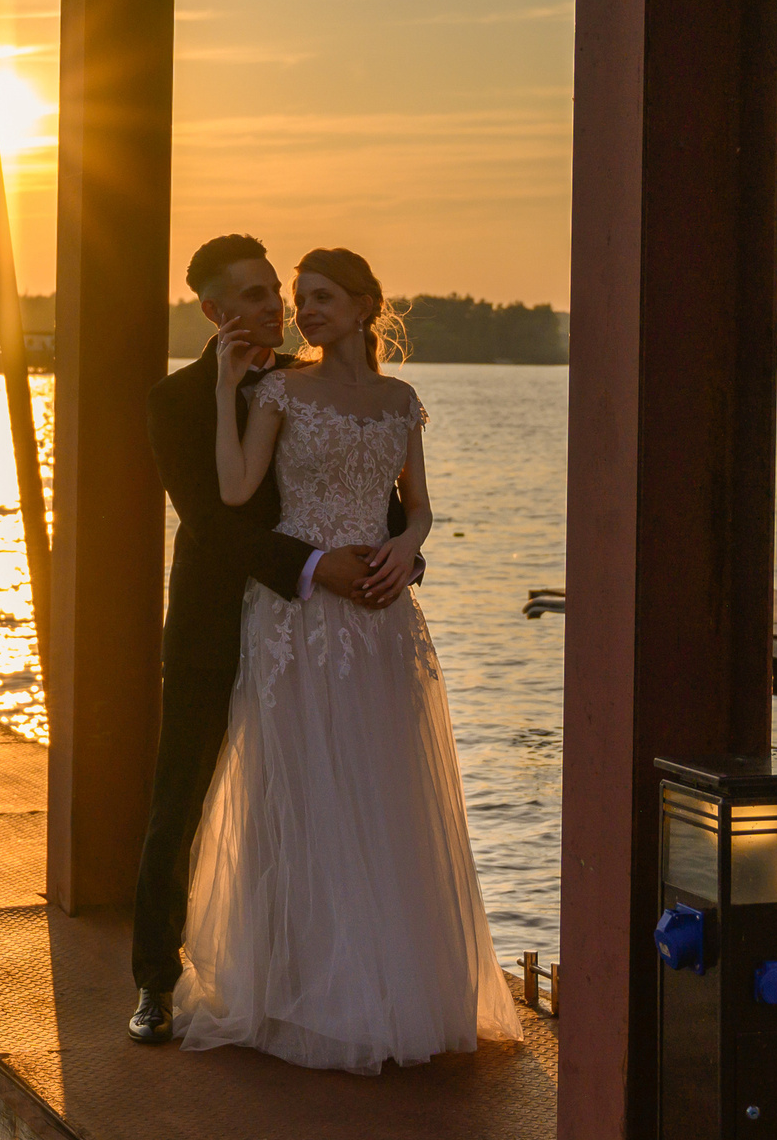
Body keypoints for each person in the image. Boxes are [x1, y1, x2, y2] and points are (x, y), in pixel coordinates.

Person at [174, 246, 519, 1073]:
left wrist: (408, 548)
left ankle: (388, 987)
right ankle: (298, 986)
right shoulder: (282, 391)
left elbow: (421, 509)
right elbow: (231, 490)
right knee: (298, 785)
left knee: (379, 788)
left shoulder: (402, 400)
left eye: (322, 298)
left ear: (367, 306)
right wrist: (226, 391)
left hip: (379, 616)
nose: (305, 312)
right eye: (301, 299)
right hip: (298, 620)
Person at [127, 234, 414, 1047]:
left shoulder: (304, 383)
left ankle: (303, 973)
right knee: (180, 796)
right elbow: (214, 522)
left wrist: (400, 551)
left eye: (274, 294)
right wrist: (316, 564)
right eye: (252, 297)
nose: (274, 309)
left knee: (310, 798)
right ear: (215, 311)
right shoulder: (175, 401)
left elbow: (371, 494)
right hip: (219, 622)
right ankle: (154, 978)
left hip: (313, 635)